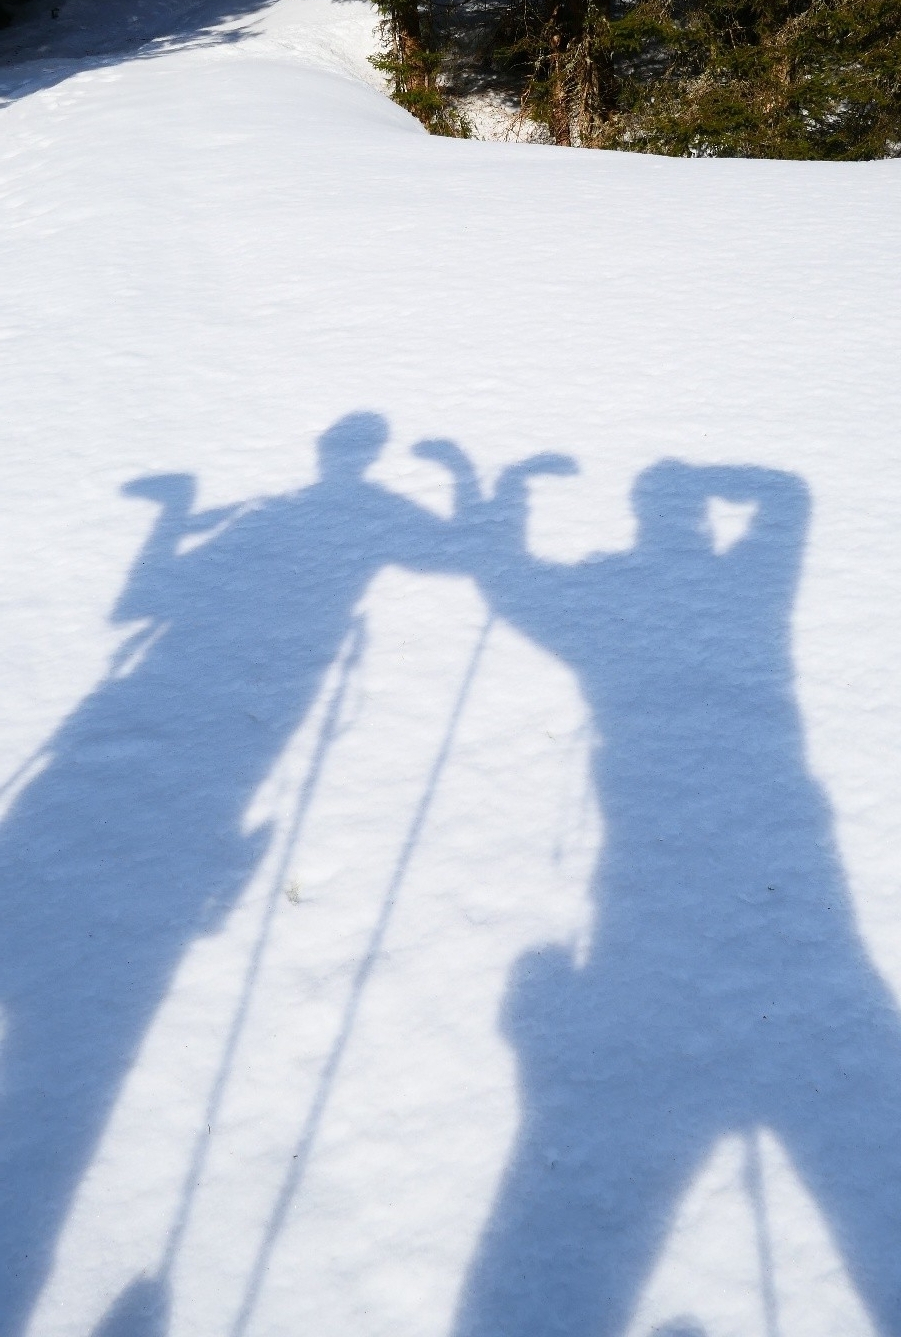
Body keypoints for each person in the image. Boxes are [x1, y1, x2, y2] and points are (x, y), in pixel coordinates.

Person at [0, 413, 468, 1337]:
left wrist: (177, 517)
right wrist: (463, 475)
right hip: (224, 739)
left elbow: (141, 603)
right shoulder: (339, 513)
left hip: (139, 730)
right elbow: (459, 554)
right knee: (75, 1041)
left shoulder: (264, 516)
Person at [438, 453, 901, 1337]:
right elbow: (790, 496)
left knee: (582, 1207)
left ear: (645, 522)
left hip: (649, 923)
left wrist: (508, 492)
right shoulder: (743, 586)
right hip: (797, 894)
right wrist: (708, 476)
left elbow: (501, 581)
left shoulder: (605, 603)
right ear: (694, 522)